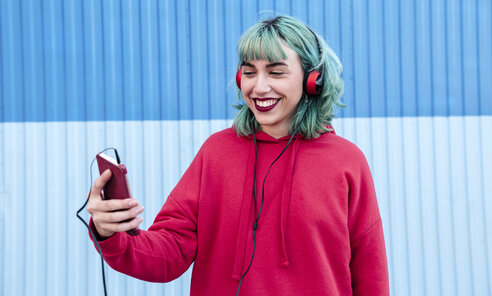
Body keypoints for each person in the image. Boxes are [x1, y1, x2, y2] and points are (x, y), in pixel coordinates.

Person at [87, 15, 390, 295]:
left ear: (312, 80)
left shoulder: (347, 161)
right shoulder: (215, 153)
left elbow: (371, 275)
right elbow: (168, 254)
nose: (259, 87)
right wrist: (110, 233)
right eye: (249, 72)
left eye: (276, 72)